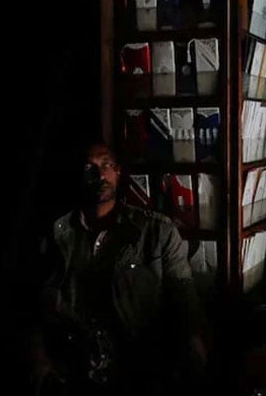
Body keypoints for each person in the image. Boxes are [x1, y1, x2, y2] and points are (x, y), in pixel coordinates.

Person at [32, 141, 207, 395]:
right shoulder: (59, 234)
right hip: (74, 371)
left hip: (137, 370)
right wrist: (40, 361)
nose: (100, 175)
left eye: (106, 165)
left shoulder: (156, 231)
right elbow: (35, 306)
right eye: (90, 168)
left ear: (118, 172)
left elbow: (185, 304)